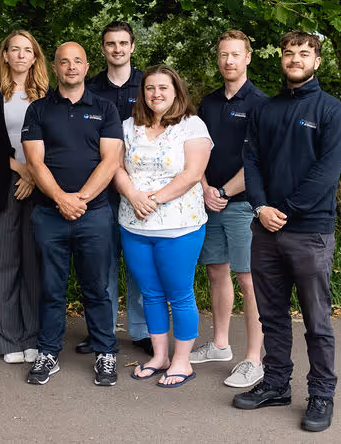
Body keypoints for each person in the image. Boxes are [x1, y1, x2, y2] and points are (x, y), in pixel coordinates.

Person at [233, 31, 341, 433]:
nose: (295, 59)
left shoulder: (332, 111)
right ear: (281, 59)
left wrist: (282, 210)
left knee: (316, 320)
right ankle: (276, 383)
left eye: (304, 53)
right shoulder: (265, 110)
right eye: (288, 53)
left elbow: (326, 174)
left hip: (310, 232)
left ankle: (321, 393)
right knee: (272, 315)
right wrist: (260, 207)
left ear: (316, 61)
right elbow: (251, 161)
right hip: (265, 229)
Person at [22, 42, 123, 387]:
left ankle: (105, 353)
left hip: (94, 215)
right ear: (55, 67)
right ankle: (48, 353)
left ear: (86, 66)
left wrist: (79, 199)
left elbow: (111, 160)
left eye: (77, 61)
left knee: (97, 287)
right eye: (64, 62)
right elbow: (35, 162)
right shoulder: (38, 110)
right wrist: (60, 199)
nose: (71, 67)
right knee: (51, 288)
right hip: (49, 215)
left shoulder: (105, 108)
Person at [113, 65, 212, 387]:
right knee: (150, 294)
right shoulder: (128, 126)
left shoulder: (192, 125)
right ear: (142, 93)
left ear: (176, 91)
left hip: (179, 227)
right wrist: (132, 195)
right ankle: (159, 356)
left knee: (179, 294)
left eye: (163, 88)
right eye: (150, 88)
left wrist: (153, 200)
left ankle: (182, 361)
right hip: (134, 225)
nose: (156, 94)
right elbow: (115, 167)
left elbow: (192, 174)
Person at [193, 30, 269, 389]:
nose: (229, 61)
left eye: (235, 54)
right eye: (223, 54)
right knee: (216, 271)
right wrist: (205, 187)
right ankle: (220, 345)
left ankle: (254, 359)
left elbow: (258, 160)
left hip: (243, 206)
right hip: (209, 202)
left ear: (248, 57)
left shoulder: (261, 104)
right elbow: (196, 150)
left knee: (248, 280)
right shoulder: (208, 104)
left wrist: (223, 191)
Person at [0, 30, 49, 364]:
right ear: (4, 55)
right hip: (2, 184)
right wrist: (21, 169)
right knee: (2, 262)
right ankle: (7, 340)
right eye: (14, 49)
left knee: (34, 265)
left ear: (35, 57)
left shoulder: (48, 96)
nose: (21, 55)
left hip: (41, 186)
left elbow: (57, 141)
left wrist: (34, 175)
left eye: (27, 50)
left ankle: (32, 336)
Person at [84, 21, 149, 355]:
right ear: (103, 48)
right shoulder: (90, 89)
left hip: (142, 189)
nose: (117, 49)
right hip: (102, 189)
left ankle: (142, 331)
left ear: (132, 47)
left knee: (139, 264)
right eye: (111, 44)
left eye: (123, 43)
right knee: (102, 263)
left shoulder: (149, 85)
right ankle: (103, 330)